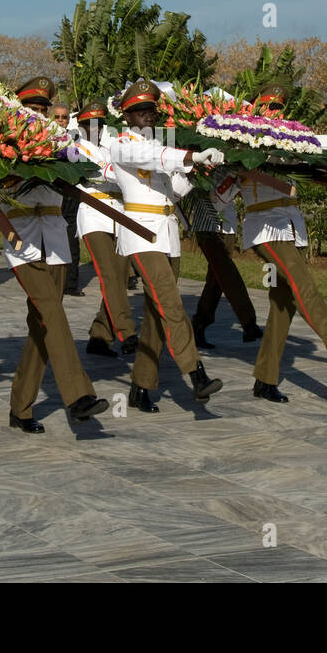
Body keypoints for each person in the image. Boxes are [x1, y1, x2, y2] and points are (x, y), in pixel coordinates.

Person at [210, 87, 327, 401]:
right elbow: (218, 199)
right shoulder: (242, 146)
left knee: (284, 305)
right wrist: (232, 169)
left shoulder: (290, 143)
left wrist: (317, 162)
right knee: (302, 283)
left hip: (292, 228)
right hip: (264, 230)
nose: (276, 114)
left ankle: (265, 380)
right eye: (269, 108)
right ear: (256, 111)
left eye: (280, 108)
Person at [106, 80, 225, 412]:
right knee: (170, 303)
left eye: (151, 111)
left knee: (157, 314)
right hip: (141, 234)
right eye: (140, 111)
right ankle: (196, 373)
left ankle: (141, 386)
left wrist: (199, 168)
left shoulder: (160, 148)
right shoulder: (122, 145)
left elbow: (174, 190)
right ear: (127, 116)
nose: (147, 116)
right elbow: (153, 156)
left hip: (167, 233)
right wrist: (190, 154)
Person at [3, 78, 108, 431]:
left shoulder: (63, 142)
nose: (40, 116)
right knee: (51, 312)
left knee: (42, 324)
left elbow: (90, 161)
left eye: (44, 110)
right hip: (23, 239)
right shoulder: (0, 141)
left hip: (56, 240)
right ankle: (78, 395)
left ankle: (21, 407)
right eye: (31, 109)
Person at [74, 99, 137, 359]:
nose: (95, 128)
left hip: (117, 215)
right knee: (109, 275)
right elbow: (100, 173)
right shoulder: (75, 148)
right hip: (94, 214)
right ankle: (127, 332)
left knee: (120, 277)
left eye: (99, 124)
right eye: (89, 124)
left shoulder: (109, 146)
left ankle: (100, 336)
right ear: (81, 125)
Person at [184, 172, 262, 349]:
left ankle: (199, 324)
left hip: (227, 227)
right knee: (226, 272)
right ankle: (248, 321)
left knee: (216, 280)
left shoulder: (232, 160)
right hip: (207, 224)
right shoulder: (206, 159)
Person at [51, 102, 85, 296]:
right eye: (57, 117)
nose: (61, 121)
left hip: (69, 192)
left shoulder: (75, 139)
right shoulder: (42, 135)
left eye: (64, 117)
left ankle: (71, 284)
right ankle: (51, 281)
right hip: (50, 191)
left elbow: (75, 160)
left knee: (71, 237)